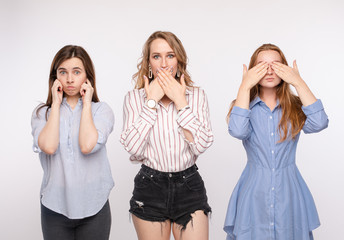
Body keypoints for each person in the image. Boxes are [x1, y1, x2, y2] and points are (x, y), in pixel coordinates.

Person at [223, 43, 329, 240]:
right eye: (262, 65)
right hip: (253, 192)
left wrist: (298, 82)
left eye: (276, 65)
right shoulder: (243, 105)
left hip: (290, 191)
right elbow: (237, 131)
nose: (269, 70)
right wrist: (245, 85)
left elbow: (320, 122)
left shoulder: (296, 106)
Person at [120, 31, 213, 240]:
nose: (164, 64)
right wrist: (151, 102)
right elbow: (133, 148)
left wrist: (181, 102)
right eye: (156, 56)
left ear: (179, 60)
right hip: (150, 185)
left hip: (189, 184)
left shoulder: (196, 96)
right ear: (148, 63)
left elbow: (202, 144)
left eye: (170, 55)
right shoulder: (134, 98)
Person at [31, 45, 114, 240]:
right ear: (55, 77)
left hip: (95, 206)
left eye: (76, 72)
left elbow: (87, 146)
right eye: (63, 72)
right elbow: (49, 146)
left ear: (87, 77)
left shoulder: (101, 110)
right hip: (55, 207)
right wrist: (57, 104)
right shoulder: (42, 113)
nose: (69, 79)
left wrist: (86, 103)